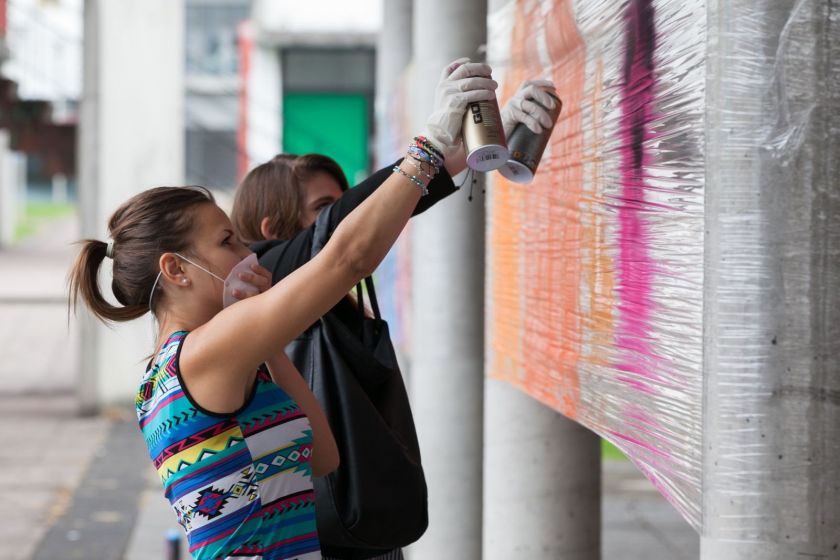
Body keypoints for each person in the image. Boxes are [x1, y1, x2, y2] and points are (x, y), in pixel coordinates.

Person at [67, 57, 497, 560]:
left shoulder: (186, 365)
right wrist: (427, 151)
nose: (247, 254)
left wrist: (267, 342)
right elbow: (347, 257)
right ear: (177, 270)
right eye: (227, 241)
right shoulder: (203, 353)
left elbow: (323, 454)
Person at [229, 70, 558, 560]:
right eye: (323, 207)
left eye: (341, 202)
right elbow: (347, 236)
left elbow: (368, 218)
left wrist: (472, 146)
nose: (350, 216)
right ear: (271, 227)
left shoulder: (326, 291)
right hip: (315, 534)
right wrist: (429, 148)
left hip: (362, 523)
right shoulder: (267, 267)